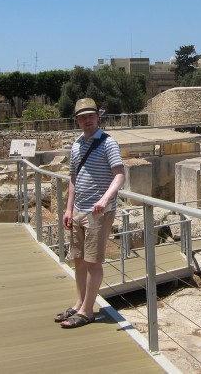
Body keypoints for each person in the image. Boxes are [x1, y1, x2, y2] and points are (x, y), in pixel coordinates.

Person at [57, 98, 125, 329]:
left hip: (98, 212)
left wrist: (105, 199)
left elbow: (119, 175)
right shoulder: (76, 145)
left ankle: (88, 311)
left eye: (91, 116)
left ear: (98, 117)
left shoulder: (108, 143)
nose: (87, 120)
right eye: (82, 117)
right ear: (77, 120)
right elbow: (74, 179)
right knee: (78, 259)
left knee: (93, 262)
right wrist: (68, 208)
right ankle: (78, 303)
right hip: (78, 210)